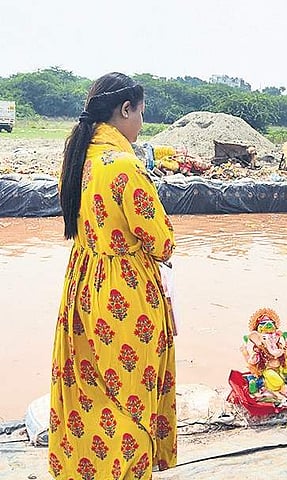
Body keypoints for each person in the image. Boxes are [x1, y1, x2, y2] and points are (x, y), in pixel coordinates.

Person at [49, 73, 177, 479]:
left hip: (82, 287)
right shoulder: (123, 166)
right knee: (130, 399)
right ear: (125, 110)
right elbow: (162, 242)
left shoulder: (77, 159)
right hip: (125, 296)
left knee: (89, 394)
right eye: (141, 113)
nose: (142, 122)